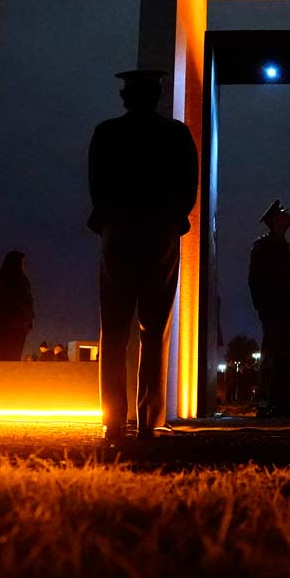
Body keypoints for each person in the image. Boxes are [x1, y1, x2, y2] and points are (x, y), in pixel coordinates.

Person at [87, 68, 198, 441]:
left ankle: (112, 420)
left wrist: (109, 221)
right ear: (157, 95)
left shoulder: (107, 133)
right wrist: (172, 219)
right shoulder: (176, 134)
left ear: (128, 97)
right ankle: (149, 420)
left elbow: (97, 184)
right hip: (159, 232)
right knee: (155, 328)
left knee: (114, 328)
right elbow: (188, 186)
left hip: (118, 232)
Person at [249, 200, 290, 419]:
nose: (287, 213)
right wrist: (262, 306)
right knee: (271, 354)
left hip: (287, 307)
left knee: (284, 356)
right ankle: (265, 404)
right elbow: (255, 279)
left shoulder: (287, 247)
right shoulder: (263, 246)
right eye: (282, 212)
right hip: (272, 308)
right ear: (274, 221)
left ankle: (281, 405)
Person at [0, 251, 35, 361]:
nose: (25, 265)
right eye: (23, 262)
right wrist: (27, 323)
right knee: (11, 363)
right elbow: (27, 304)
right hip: (16, 329)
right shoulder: (21, 281)